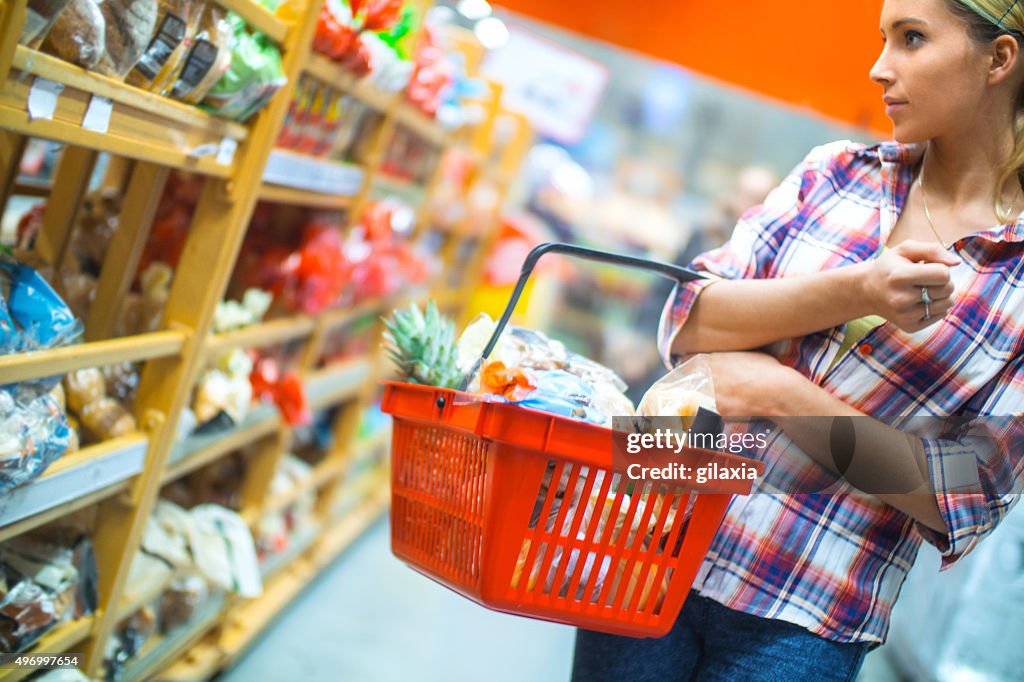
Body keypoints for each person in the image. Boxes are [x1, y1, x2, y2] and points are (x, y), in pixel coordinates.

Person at [571, 1, 1024, 680]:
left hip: (806, 610)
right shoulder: (836, 171)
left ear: (999, 59)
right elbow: (689, 320)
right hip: (648, 534)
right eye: (883, 39)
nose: (878, 68)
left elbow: (965, 489)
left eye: (911, 39)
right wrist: (860, 290)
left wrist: (779, 393)